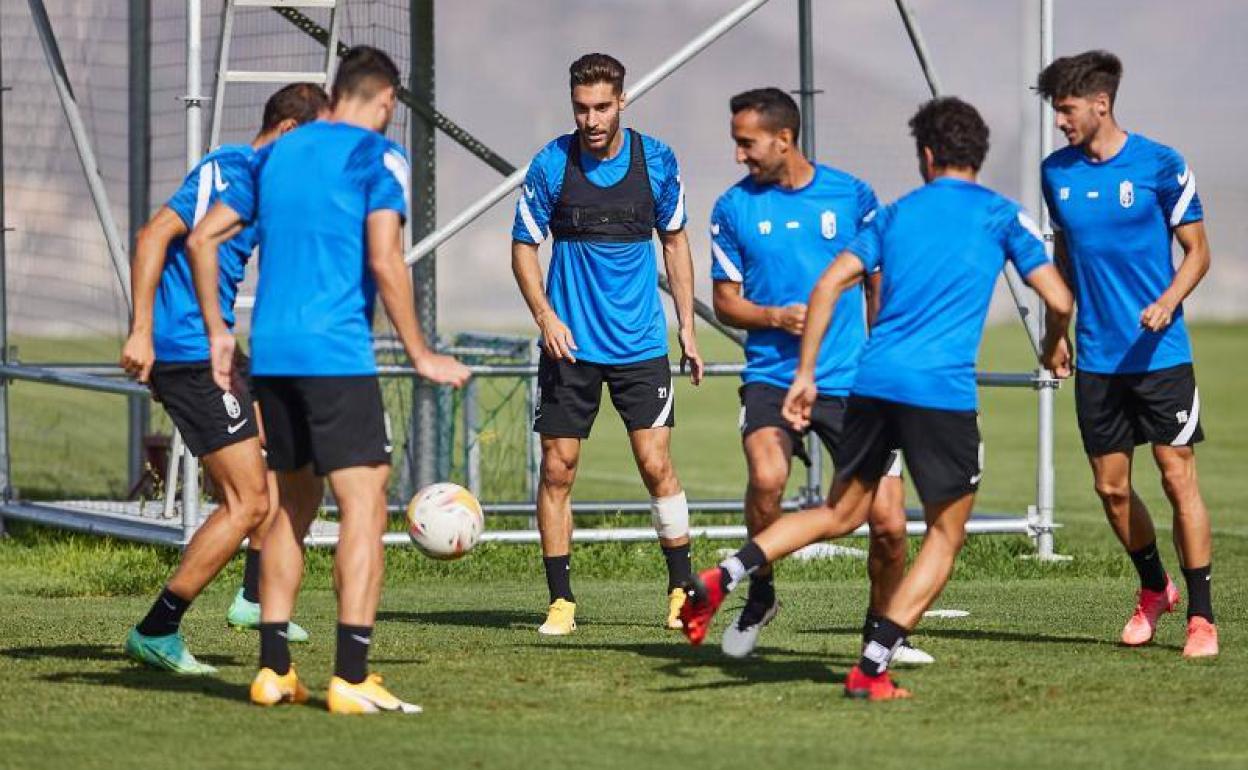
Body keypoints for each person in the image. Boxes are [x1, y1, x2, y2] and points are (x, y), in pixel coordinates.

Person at [680, 97, 1074, 701]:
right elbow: (1060, 297)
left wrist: (807, 371)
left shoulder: (891, 215)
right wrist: (1054, 346)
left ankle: (726, 572)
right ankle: (872, 662)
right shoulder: (1002, 215)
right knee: (944, 534)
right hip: (939, 393)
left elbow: (828, 283)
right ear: (978, 154)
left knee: (844, 513)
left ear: (926, 155)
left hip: (868, 380)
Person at [189, 46, 470, 713]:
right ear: (385, 102)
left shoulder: (276, 153)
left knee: (292, 505)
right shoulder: (376, 157)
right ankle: (351, 674)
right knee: (365, 506)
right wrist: (421, 352)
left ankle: (273, 670)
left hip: (276, 355)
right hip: (336, 357)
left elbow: (203, 239)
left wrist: (217, 331)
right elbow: (386, 259)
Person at [708, 87, 930, 665]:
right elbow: (726, 302)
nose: (739, 156)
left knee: (888, 525)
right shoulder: (733, 208)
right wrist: (773, 316)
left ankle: (883, 633)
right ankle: (761, 596)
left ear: (784, 139)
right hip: (771, 376)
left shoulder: (852, 196)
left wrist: (887, 355)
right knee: (767, 475)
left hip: (853, 380)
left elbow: (878, 283)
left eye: (746, 143)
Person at [119, 83, 328, 674]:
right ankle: (158, 628)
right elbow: (154, 233)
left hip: (214, 351)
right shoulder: (232, 168)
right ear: (289, 133)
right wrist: (140, 330)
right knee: (247, 500)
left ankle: (255, 598)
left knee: (274, 468)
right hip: (186, 351)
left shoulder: (265, 186)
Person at [510, 53, 704, 635]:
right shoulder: (550, 163)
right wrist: (545, 316)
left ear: (622, 101)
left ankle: (679, 589)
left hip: (641, 344)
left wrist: (687, 326)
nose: (591, 119)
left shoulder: (658, 162)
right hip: (569, 348)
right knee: (558, 470)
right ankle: (562, 601)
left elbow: (675, 243)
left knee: (655, 464)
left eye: (601, 107)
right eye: (581, 108)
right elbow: (523, 248)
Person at [1036, 50, 1217, 657]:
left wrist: (1167, 301)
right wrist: (1056, 330)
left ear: (1100, 104)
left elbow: (1197, 252)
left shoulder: (1161, 165)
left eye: (1066, 109)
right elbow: (1063, 259)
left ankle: (1201, 616)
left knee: (1176, 476)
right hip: (1096, 358)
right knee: (1111, 490)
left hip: (1162, 354)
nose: (1060, 121)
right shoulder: (1055, 172)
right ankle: (1153, 589)